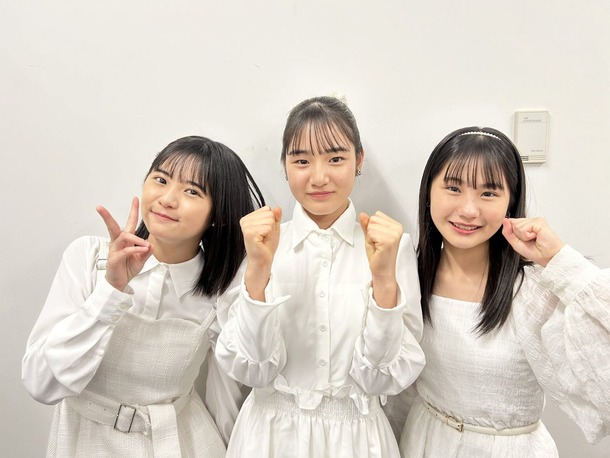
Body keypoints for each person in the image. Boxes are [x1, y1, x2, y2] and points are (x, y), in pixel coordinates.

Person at [22, 136, 265, 457]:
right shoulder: (88, 257)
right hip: (83, 442)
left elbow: (225, 400)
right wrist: (110, 291)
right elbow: (41, 384)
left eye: (192, 191)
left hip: (181, 444)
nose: (167, 199)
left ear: (218, 215)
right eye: (161, 180)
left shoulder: (220, 289)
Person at [215, 96, 425, 457]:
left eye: (336, 158)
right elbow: (252, 370)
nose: (319, 177)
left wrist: (384, 283)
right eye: (301, 160)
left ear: (359, 160)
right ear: (284, 165)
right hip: (269, 438)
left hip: (358, 441)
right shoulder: (259, 243)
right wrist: (258, 272)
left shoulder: (393, 247)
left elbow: (382, 377)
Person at [397, 127, 610, 457]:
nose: (469, 209)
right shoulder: (409, 272)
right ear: (429, 193)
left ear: (510, 202)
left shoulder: (532, 289)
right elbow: (397, 389)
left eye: (488, 193)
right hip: (423, 442)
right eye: (453, 188)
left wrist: (560, 261)